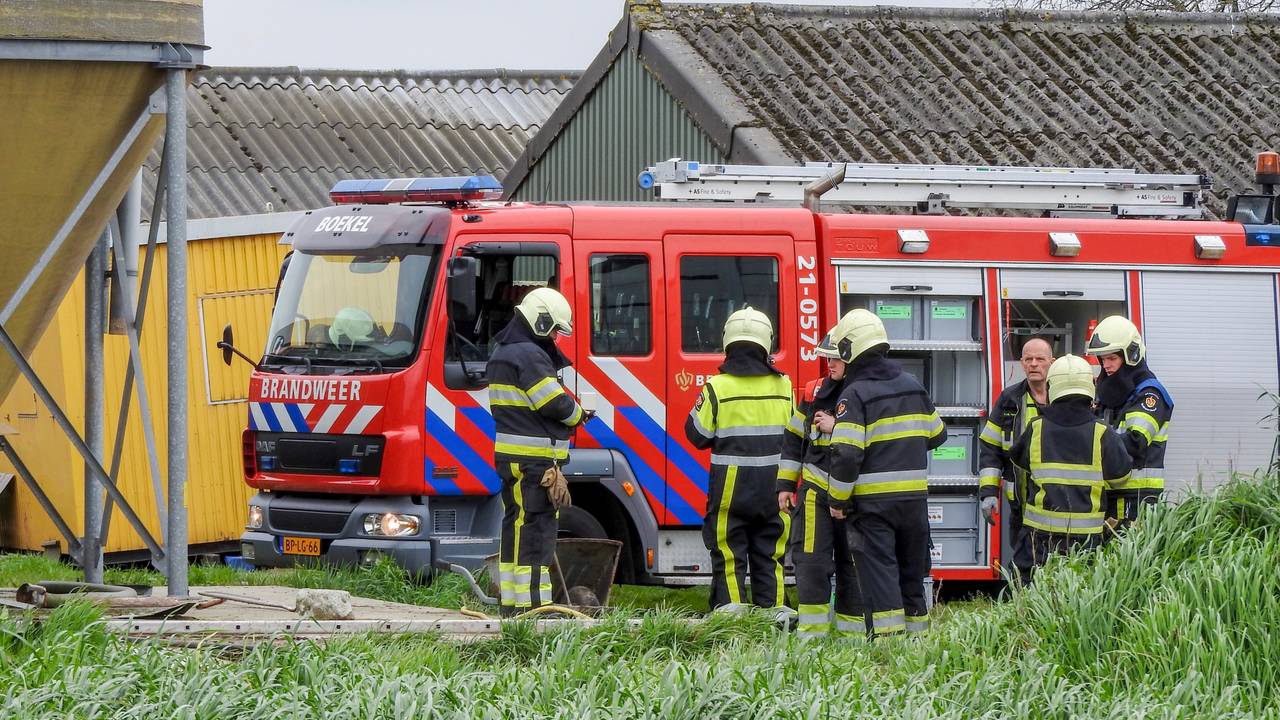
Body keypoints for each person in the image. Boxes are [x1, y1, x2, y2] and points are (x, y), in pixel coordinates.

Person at [827, 309, 946, 637]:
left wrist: (837, 500)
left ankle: (888, 648)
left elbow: (846, 454)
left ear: (850, 349)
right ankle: (918, 643)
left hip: (873, 508)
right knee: (912, 577)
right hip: (914, 504)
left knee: (881, 578)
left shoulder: (854, 394)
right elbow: (938, 435)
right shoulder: (912, 385)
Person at [685, 307, 793, 611]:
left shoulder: (717, 387)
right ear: (766, 343)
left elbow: (697, 435)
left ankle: (731, 617)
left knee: (729, 553)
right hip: (774, 487)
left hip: (731, 489)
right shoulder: (784, 386)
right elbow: (794, 433)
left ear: (728, 342)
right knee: (771, 553)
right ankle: (775, 616)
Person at [487, 287, 586, 617]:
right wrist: (579, 414)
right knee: (535, 534)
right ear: (540, 320)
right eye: (555, 329)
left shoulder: (503, 351)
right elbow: (554, 403)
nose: (556, 338)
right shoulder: (530, 356)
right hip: (535, 464)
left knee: (515, 527)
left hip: (514, 459)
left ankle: (513, 605)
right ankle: (534, 607)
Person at [1009, 355, 1132, 576]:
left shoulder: (1036, 428)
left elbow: (1019, 460)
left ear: (1051, 387)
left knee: (1029, 591)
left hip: (1038, 540)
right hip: (1085, 543)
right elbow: (1120, 477)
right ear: (1090, 387)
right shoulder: (1102, 432)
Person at [777, 332, 864, 639]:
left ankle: (852, 639)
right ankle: (812, 636)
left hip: (855, 496)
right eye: (828, 357)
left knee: (853, 564)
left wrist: (837, 426)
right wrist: (785, 484)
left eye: (836, 358)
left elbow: (878, 439)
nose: (830, 363)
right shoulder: (814, 392)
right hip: (815, 493)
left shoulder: (866, 393)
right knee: (810, 562)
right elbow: (793, 438)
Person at [978, 337, 1054, 586]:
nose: (1034, 364)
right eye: (1028, 359)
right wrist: (988, 493)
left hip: (1057, 503)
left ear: (1051, 362)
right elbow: (990, 446)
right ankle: (1023, 604)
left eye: (1040, 359)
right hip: (1021, 503)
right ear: (1021, 363)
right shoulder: (1010, 399)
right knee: (1023, 565)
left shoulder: (1064, 397)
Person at [1086, 316, 1173, 531]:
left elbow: (1135, 442)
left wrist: (1086, 441)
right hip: (1110, 495)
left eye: (1112, 358)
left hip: (1138, 501)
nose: (1106, 365)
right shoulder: (1110, 392)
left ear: (1131, 355)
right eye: (1102, 359)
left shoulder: (1150, 394)